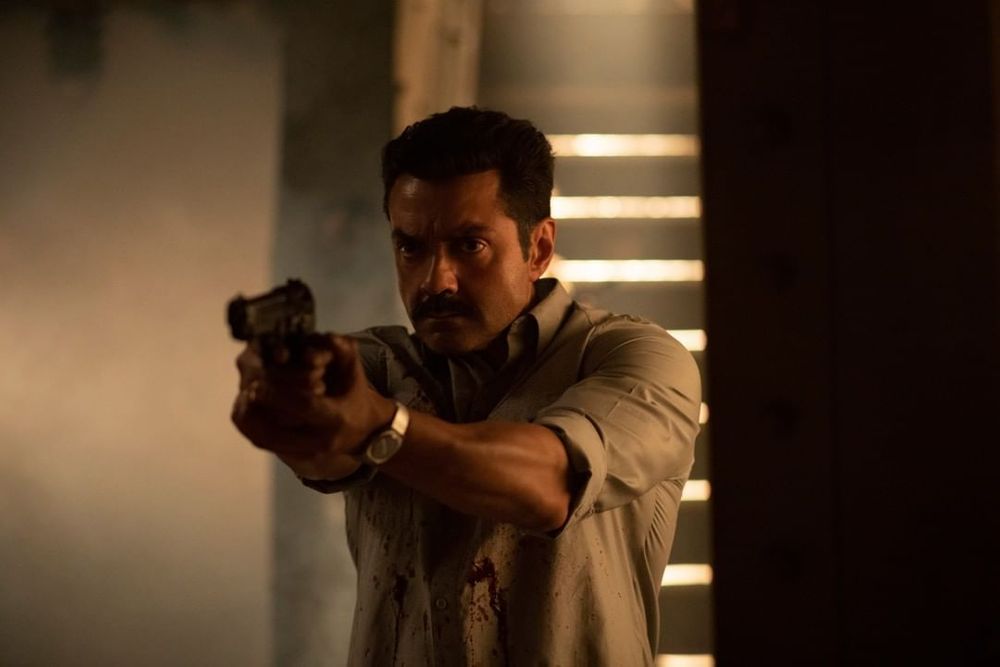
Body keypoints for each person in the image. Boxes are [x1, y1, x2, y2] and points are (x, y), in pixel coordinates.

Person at [232, 107, 702, 666]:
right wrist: (285, 402)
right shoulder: (373, 368)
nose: (436, 280)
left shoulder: (634, 359)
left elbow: (550, 485)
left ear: (538, 248)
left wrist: (380, 426)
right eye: (411, 247)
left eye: (470, 245)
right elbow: (323, 448)